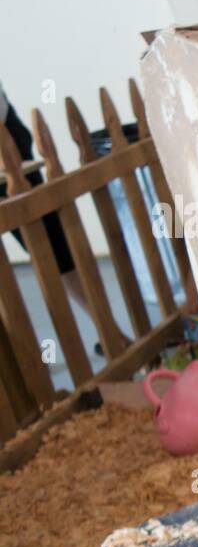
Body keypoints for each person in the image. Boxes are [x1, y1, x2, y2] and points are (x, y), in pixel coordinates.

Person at [1, 80, 129, 351]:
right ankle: (109, 332)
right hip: (9, 139)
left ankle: (109, 332)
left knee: (54, 248)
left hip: (7, 145)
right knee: (52, 248)